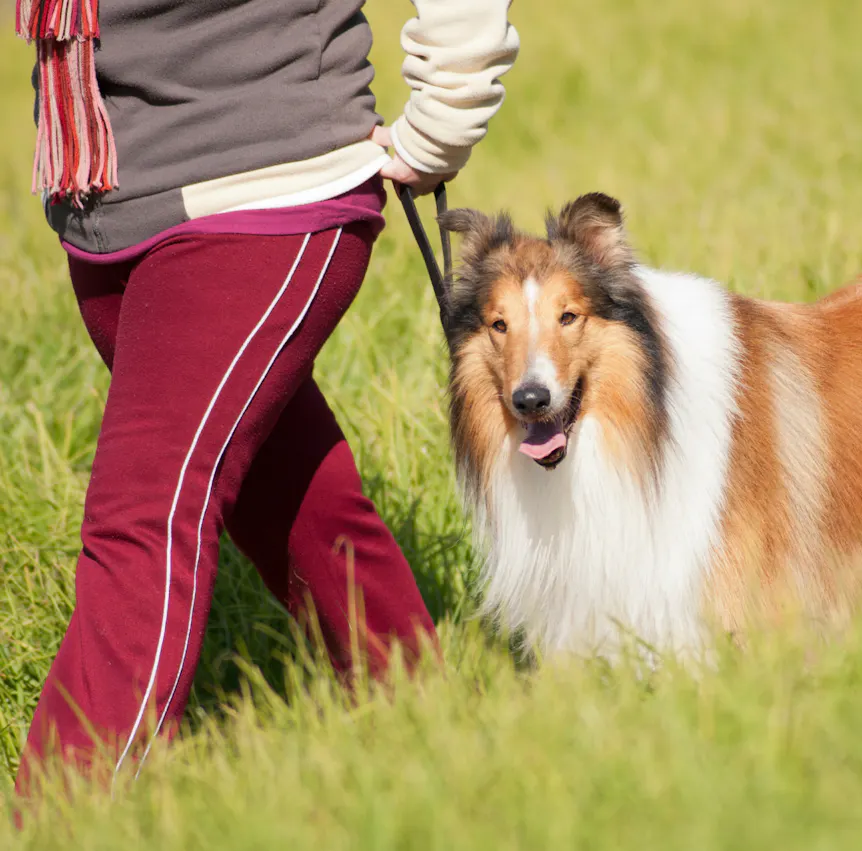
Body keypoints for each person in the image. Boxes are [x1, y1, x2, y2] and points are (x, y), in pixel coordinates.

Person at [13, 0, 519, 794]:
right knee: (295, 502)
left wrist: (445, 114)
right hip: (112, 204)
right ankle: (442, 744)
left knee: (146, 514)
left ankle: (61, 817)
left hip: (264, 190)